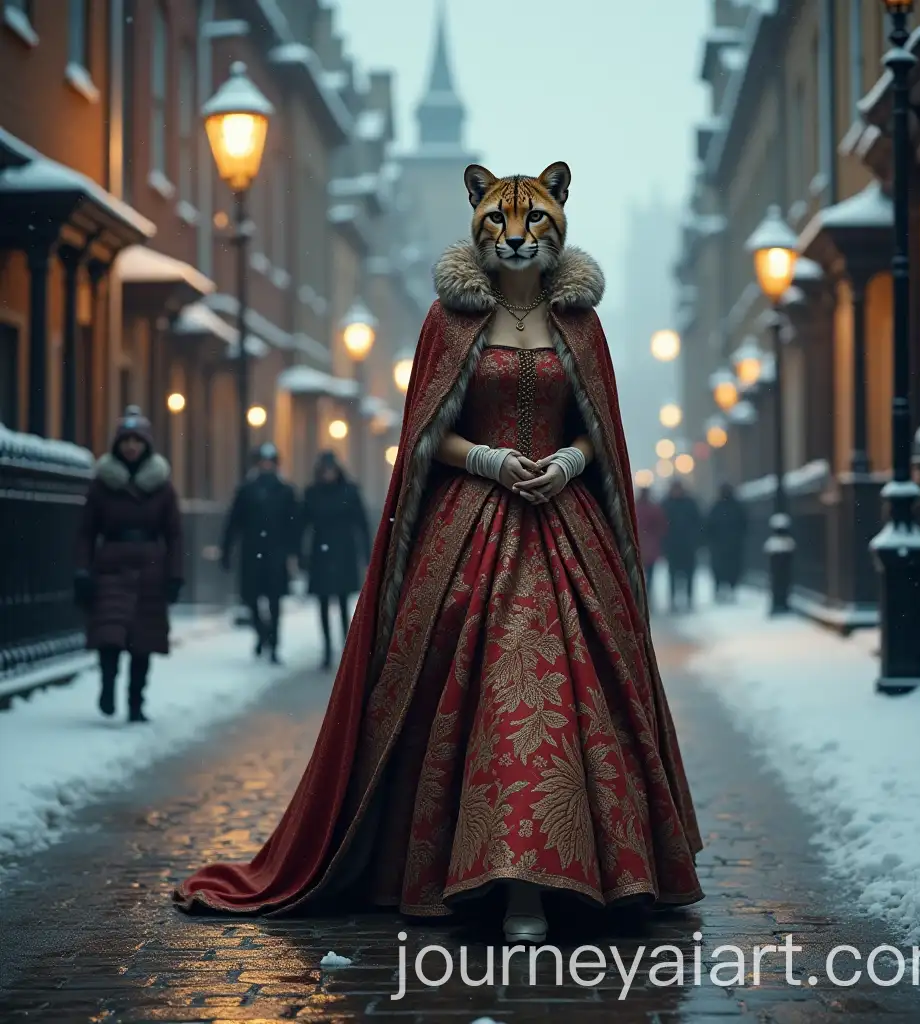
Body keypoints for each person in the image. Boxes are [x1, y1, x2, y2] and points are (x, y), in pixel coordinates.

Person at [176, 161, 703, 944]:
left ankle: (571, 874)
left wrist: (568, 462)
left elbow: (601, 433)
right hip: (471, 524)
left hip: (567, 526)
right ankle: (499, 880)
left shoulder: (582, 325)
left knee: (573, 687)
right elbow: (425, 433)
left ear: (558, 218)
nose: (517, 236)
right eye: (500, 221)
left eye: (533, 220)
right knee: (474, 685)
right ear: (478, 222)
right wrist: (487, 459)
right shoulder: (448, 322)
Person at [74, 406, 183, 723]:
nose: (131, 446)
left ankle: (136, 702)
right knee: (109, 634)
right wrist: (82, 570)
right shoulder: (102, 485)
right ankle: (108, 685)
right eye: (126, 440)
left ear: (146, 445)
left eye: (137, 441)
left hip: (151, 569)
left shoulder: (162, 487)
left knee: (142, 641)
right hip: (111, 565)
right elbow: (86, 532)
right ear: (117, 444)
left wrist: (175, 576)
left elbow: (175, 535)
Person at [220, 443, 298, 664]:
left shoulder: (285, 491)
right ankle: (263, 633)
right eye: (263, 461)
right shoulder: (247, 490)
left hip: (276, 552)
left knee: (274, 601)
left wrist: (294, 553)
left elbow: (294, 524)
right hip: (252, 552)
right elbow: (234, 522)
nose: (266, 465)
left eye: (270, 461)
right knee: (250, 598)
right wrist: (226, 550)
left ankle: (274, 644)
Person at [301, 450, 370, 670]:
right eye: (325, 470)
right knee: (322, 603)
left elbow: (362, 524)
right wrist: (300, 555)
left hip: (344, 553)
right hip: (321, 554)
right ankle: (327, 649)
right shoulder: (312, 493)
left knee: (342, 602)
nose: (328, 474)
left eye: (330, 470)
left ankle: (345, 649)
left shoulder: (349, 491)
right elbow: (301, 524)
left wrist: (367, 554)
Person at [661, 480, 703, 612]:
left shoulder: (689, 503)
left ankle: (689, 599)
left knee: (689, 573)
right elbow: (661, 525)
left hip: (687, 545)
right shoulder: (667, 504)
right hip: (673, 545)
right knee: (673, 574)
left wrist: (696, 540)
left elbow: (698, 523)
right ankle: (673, 600)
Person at [706, 482, 747, 601]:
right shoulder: (736, 507)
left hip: (722, 544)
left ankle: (721, 589)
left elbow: (709, 526)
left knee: (721, 568)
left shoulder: (717, 507)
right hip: (730, 544)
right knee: (730, 568)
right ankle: (729, 588)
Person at [635, 485, 668, 597]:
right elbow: (661, 526)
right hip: (649, 545)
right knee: (649, 573)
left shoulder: (636, 507)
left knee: (639, 573)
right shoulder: (653, 508)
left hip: (641, 545)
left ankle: (641, 594)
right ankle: (646, 593)